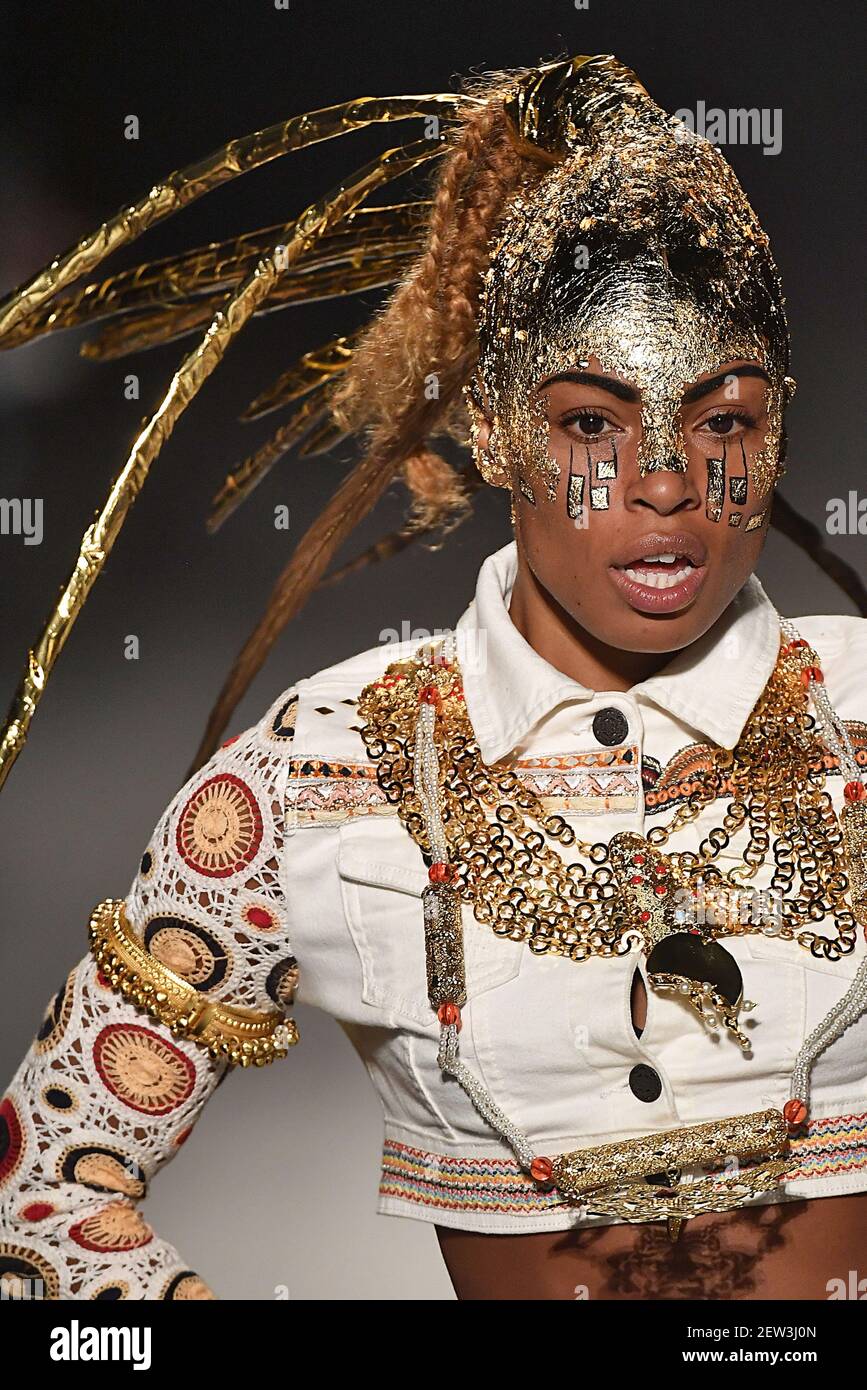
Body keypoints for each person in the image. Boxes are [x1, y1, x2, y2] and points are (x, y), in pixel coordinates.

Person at [1, 54, 865, 1302]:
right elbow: (40, 1202)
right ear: (494, 427)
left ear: (776, 421)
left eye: (722, 420)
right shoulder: (320, 778)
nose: (666, 481)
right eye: (591, 425)